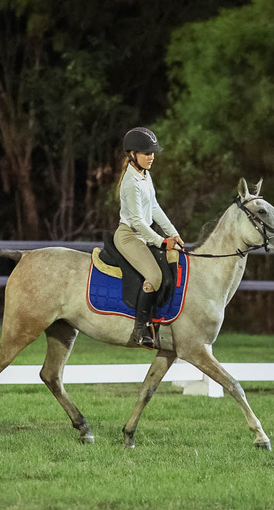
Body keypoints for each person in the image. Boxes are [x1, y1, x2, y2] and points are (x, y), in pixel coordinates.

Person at [114, 127, 185, 348]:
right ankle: (140, 328)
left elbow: (154, 208)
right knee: (154, 276)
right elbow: (137, 222)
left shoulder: (145, 175)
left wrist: (173, 232)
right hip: (129, 236)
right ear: (133, 154)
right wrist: (162, 241)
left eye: (153, 152)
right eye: (146, 153)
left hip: (142, 236)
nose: (151, 157)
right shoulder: (130, 182)